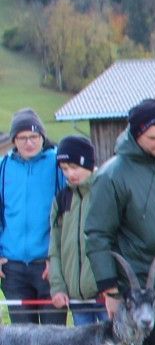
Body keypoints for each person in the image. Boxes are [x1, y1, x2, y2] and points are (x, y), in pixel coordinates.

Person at [85, 97, 155, 345]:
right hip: (139, 292)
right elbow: (97, 235)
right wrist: (110, 290)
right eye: (153, 138)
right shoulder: (111, 176)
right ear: (136, 134)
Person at [0, 108, 73, 345]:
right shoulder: (3, 169)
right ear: (13, 140)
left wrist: (55, 262)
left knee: (55, 343)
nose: (29, 142)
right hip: (13, 267)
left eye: (34, 136)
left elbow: (66, 215)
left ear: (42, 137)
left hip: (48, 267)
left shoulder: (57, 165)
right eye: (22, 137)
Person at [48, 134, 104, 330]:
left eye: (74, 167)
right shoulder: (61, 199)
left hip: (105, 296)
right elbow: (55, 248)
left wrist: (113, 287)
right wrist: (58, 287)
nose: (70, 174)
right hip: (76, 299)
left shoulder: (105, 191)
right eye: (64, 169)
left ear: (88, 163)